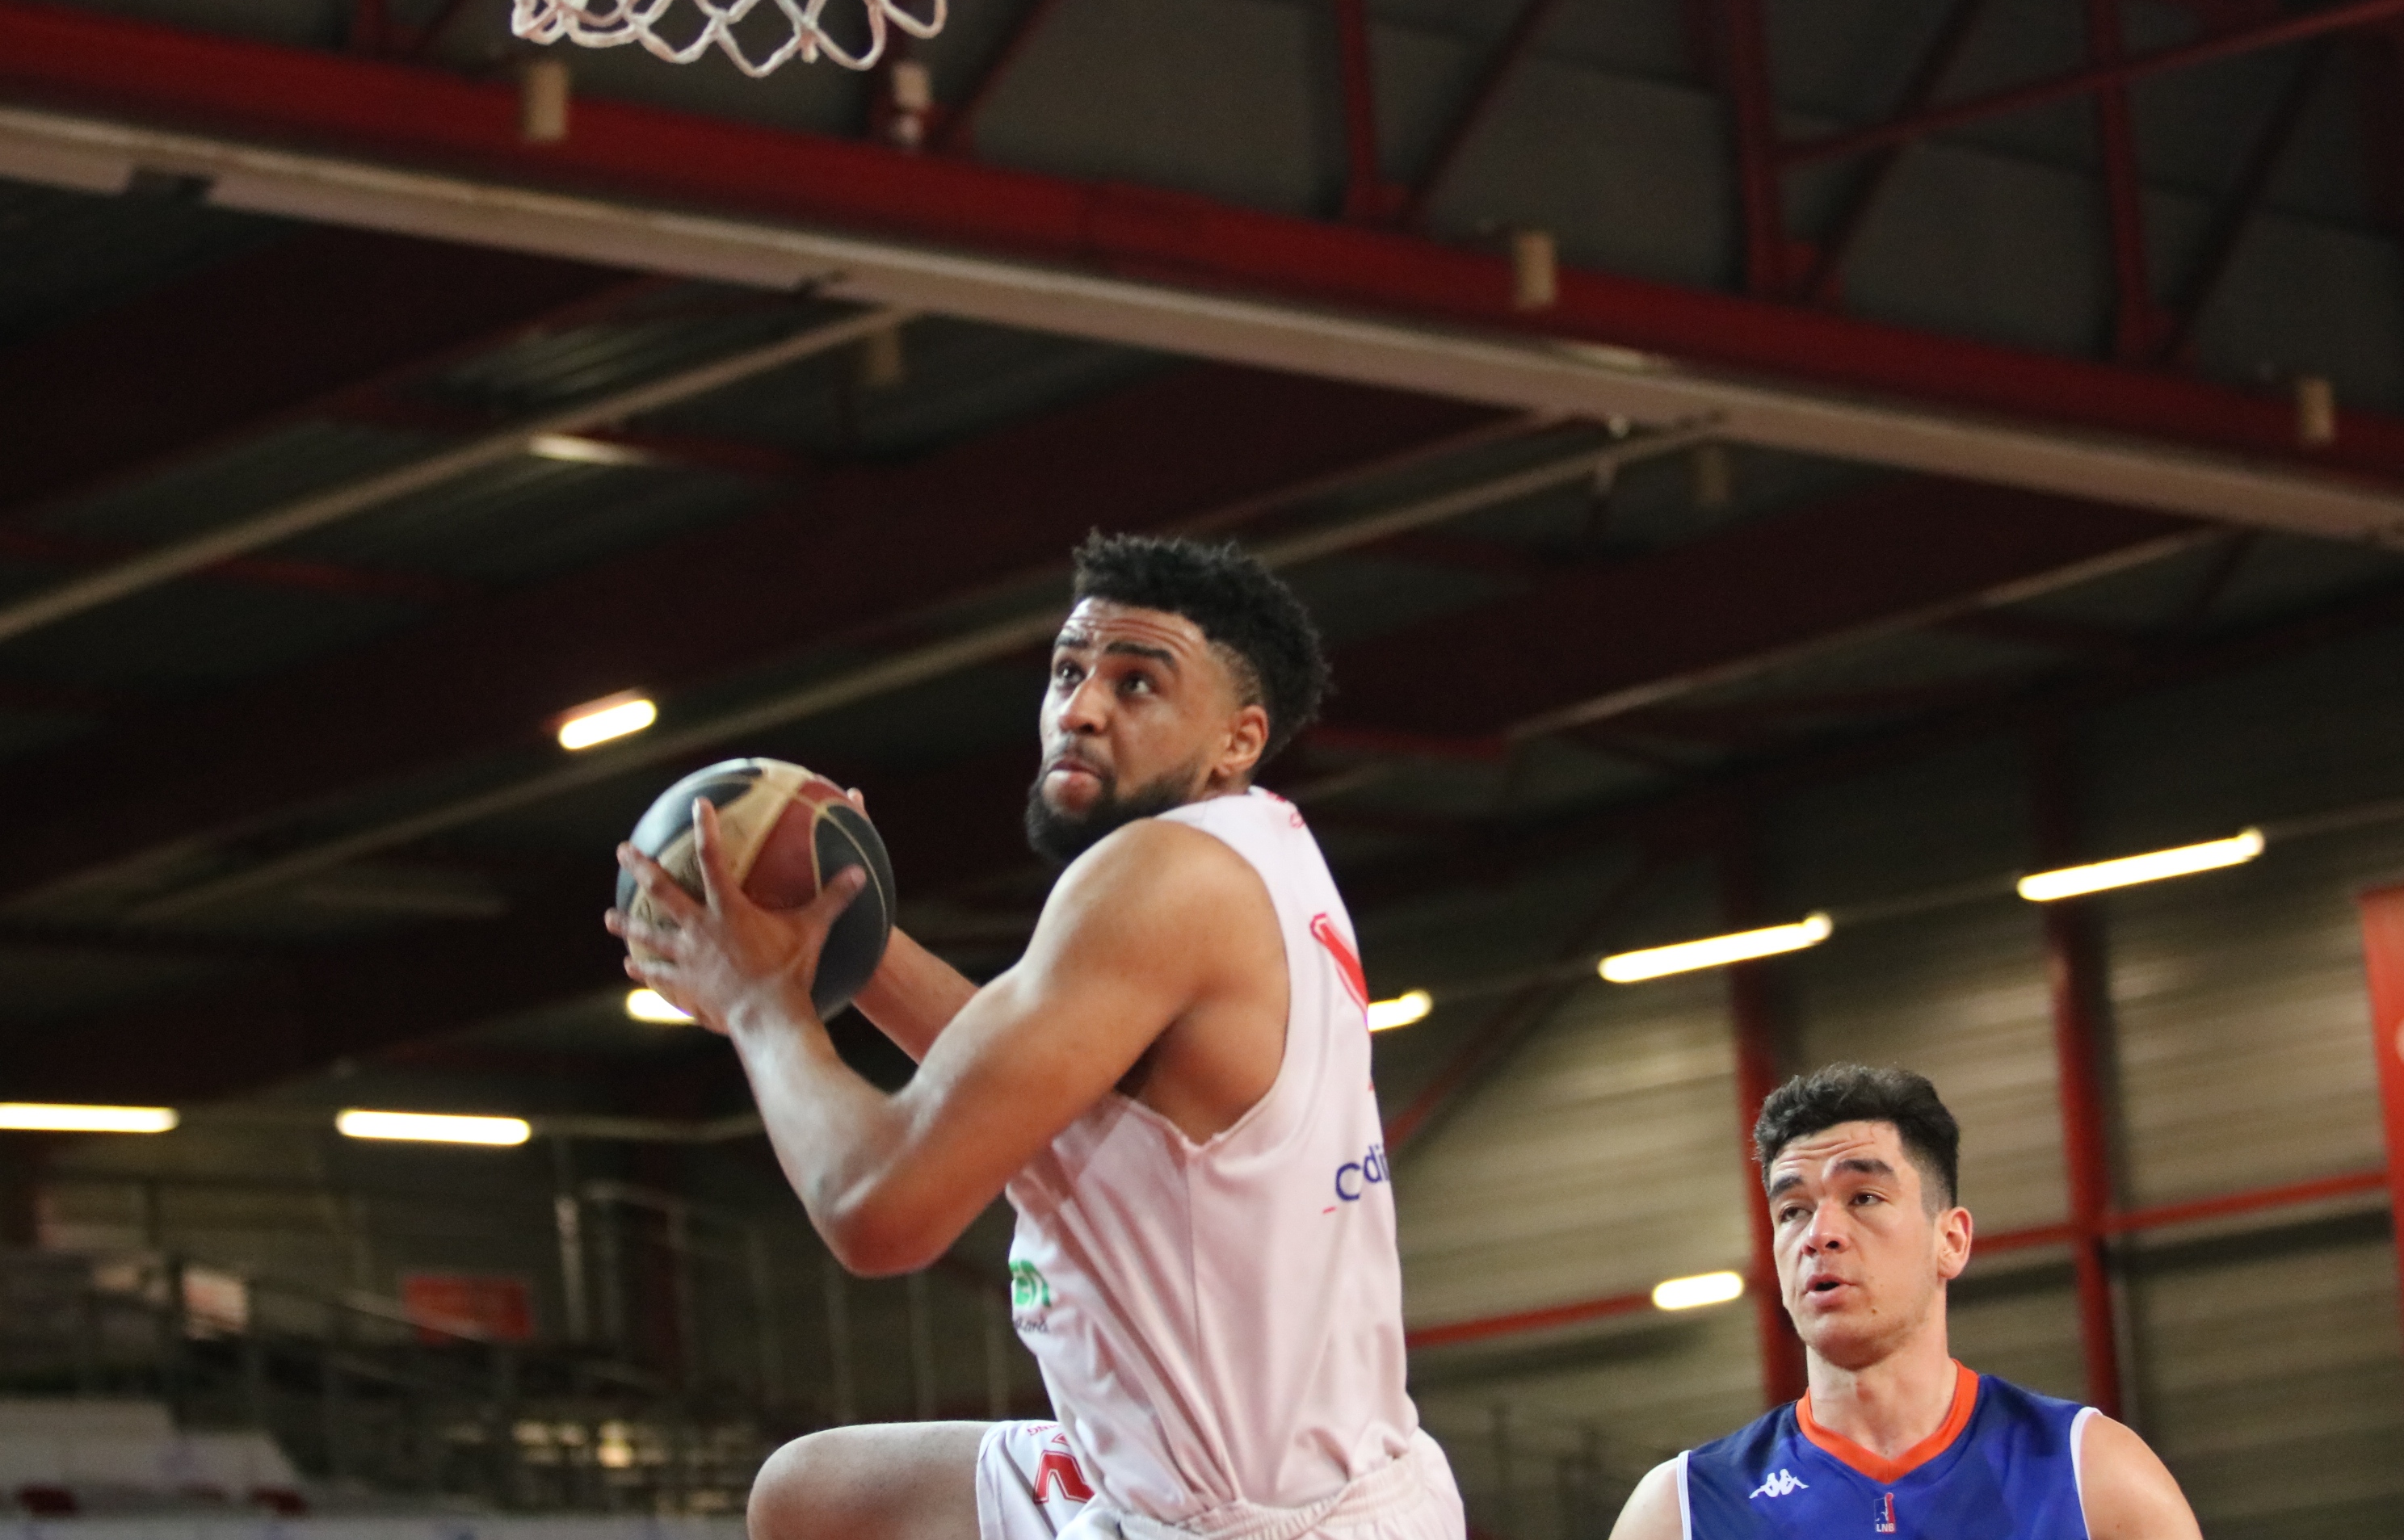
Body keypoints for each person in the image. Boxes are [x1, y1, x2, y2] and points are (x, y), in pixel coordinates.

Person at [609, 532, 1464, 1540]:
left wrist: (761, 1005)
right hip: (1242, 1479)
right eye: (1068, 672)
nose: (1082, 708)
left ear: (1237, 739)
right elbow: (1027, 1067)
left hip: (1258, 1526)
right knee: (818, 1496)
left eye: (1138, 683)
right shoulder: (1254, 845)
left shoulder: (1159, 877)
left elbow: (879, 1212)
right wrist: (844, 931)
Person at [1608, 1064, 2201, 1540]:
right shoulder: (1681, 1512)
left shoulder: (2092, 1473)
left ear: (1951, 1240)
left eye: (1863, 1197)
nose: (1820, 1234)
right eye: (1793, 1211)